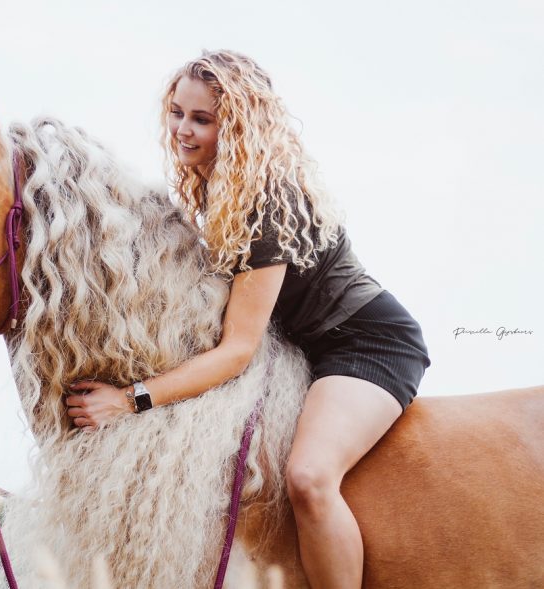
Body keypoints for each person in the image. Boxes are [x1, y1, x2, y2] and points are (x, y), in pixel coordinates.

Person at [66, 49, 431, 588]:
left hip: (368, 343)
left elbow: (237, 350)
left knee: (308, 479)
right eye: (177, 112)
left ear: (235, 126)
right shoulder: (219, 187)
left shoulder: (267, 202)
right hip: (305, 349)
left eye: (202, 119)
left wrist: (130, 399)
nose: (182, 130)